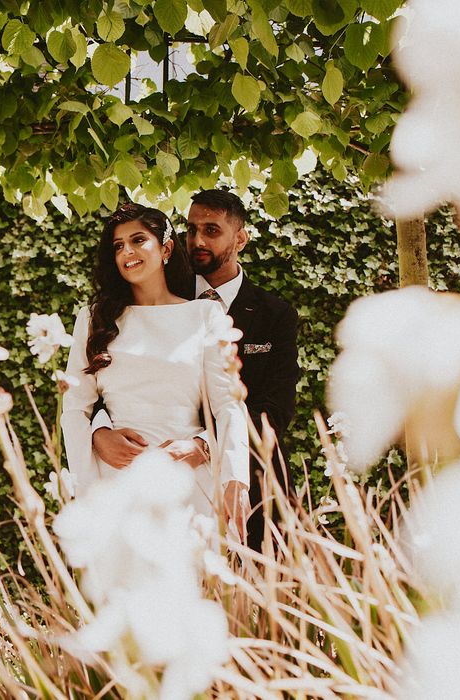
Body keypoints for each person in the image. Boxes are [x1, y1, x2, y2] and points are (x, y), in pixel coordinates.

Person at [93, 190, 299, 551]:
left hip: (251, 478)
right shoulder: (155, 296)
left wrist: (206, 444)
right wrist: (99, 430)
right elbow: (113, 376)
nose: (197, 240)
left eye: (211, 230)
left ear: (241, 239)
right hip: (153, 476)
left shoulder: (275, 314)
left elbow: (275, 408)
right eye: (191, 229)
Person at [61, 203, 250, 531]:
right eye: (118, 246)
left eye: (138, 240)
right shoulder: (93, 320)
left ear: (165, 248)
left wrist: (234, 479)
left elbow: (228, 406)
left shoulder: (204, 316)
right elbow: (75, 409)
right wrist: (88, 478)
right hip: (115, 483)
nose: (127, 252)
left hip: (190, 481)